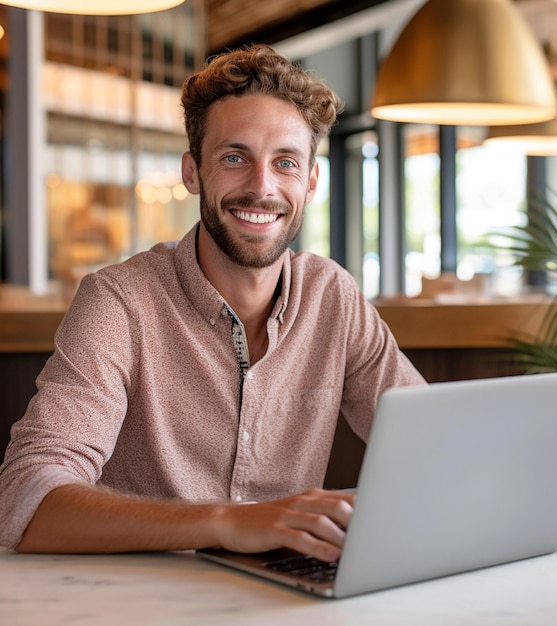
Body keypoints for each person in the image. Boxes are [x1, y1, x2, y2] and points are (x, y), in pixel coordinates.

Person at [0, 44, 425, 561]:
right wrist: (226, 522)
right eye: (234, 158)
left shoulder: (333, 297)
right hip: (143, 603)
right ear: (193, 173)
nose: (261, 187)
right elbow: (26, 500)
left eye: (285, 162)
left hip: (286, 600)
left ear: (310, 183)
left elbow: (432, 443)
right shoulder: (119, 302)